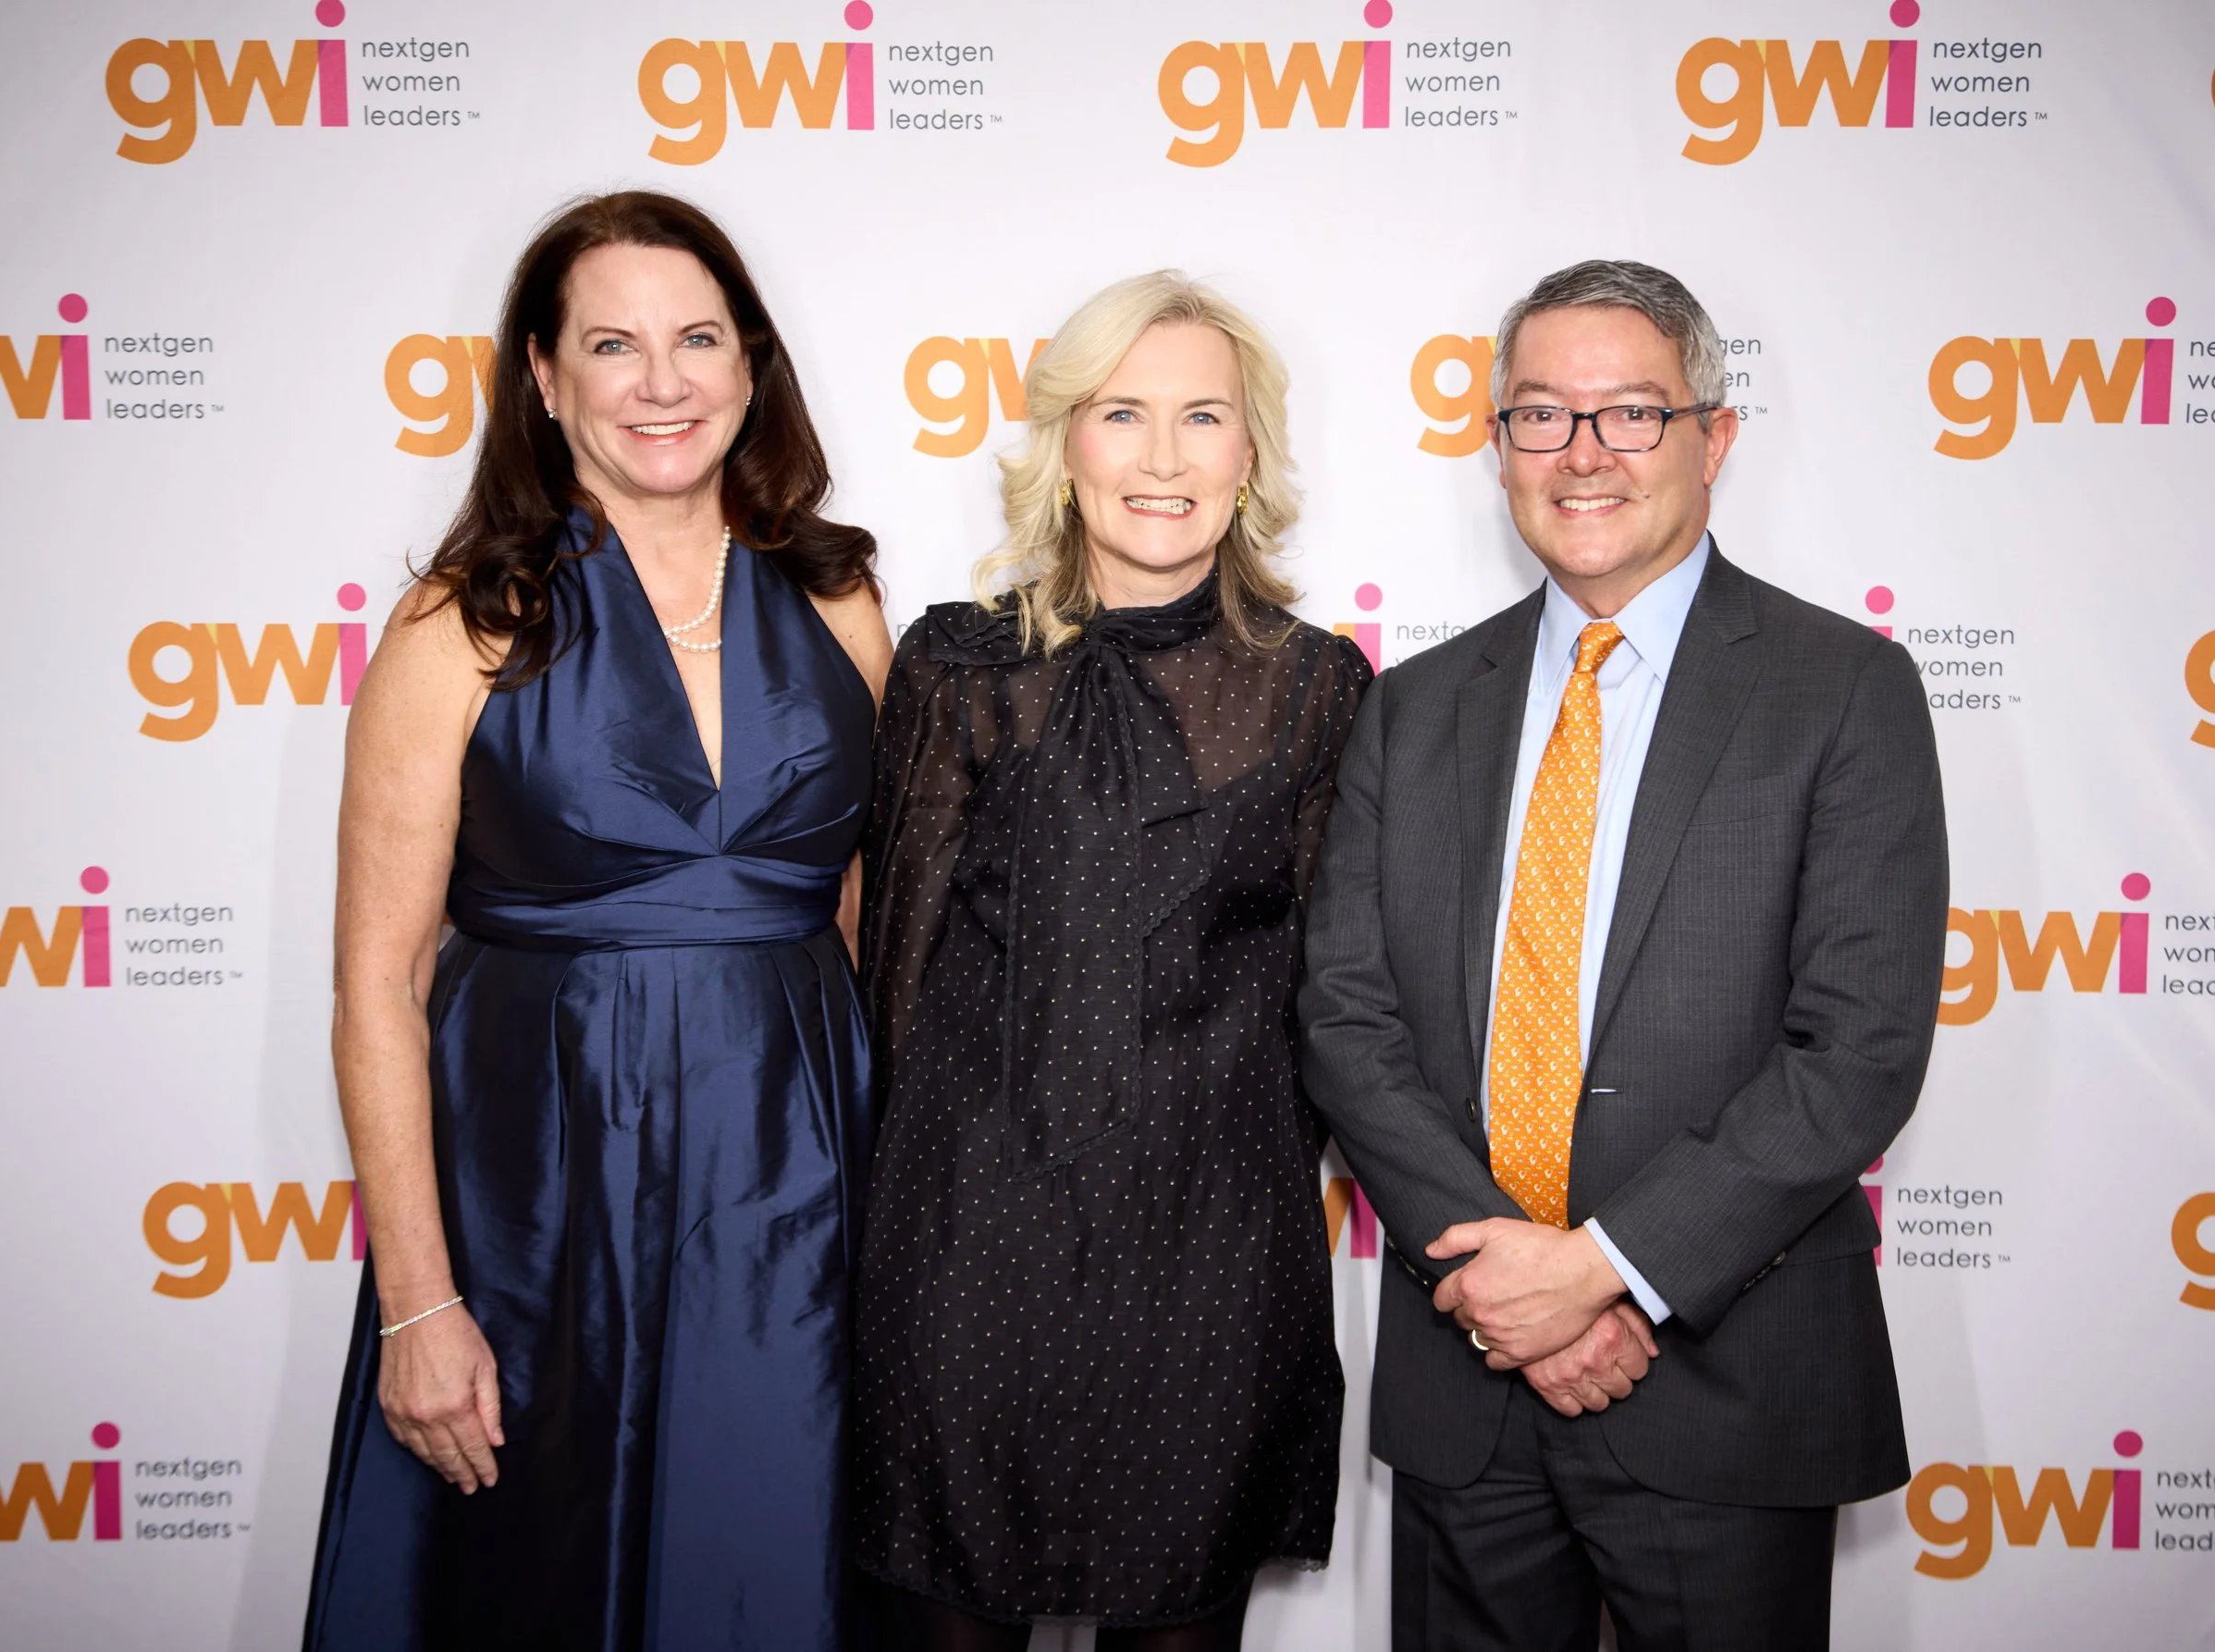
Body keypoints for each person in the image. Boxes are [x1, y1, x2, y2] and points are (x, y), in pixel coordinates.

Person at [1299, 259, 1948, 1650]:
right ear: (1500, 450)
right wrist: (1502, 1282)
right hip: (1465, 1373)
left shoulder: (1843, 688)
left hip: (1726, 1378)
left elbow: (1861, 1048)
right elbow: (1347, 1019)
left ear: (1714, 437)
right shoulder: (1411, 707)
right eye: (1541, 415)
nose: (1582, 454)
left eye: (1631, 413)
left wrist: (1604, 1269)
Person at [303, 191, 891, 1651]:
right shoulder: (462, 620)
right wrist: (418, 1302)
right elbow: (376, 984)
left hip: (802, 1196)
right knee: (538, 1578)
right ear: (546, 379)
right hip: (539, 1197)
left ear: (752, 365)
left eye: (698, 337)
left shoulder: (839, 599)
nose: (664, 381)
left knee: (778, 1563)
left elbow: (881, 936)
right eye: (614, 344)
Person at [853, 272, 1367, 1651]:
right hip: (965, 1247)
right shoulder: (958, 665)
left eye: (1202, 415)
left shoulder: (1322, 685)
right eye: (1121, 413)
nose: (1160, 455)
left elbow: (1331, 995)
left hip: (1211, 1254)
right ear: (1064, 444)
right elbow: (889, 977)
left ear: (1248, 452)